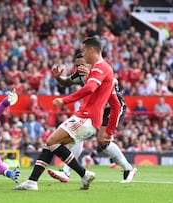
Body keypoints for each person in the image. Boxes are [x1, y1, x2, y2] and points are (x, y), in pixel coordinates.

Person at [14, 37, 117, 191]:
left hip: (87, 117)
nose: (82, 54)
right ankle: (32, 182)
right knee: (50, 144)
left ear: (91, 50)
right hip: (86, 117)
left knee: (51, 141)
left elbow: (90, 88)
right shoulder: (100, 69)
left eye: (83, 51)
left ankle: (84, 174)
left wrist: (64, 100)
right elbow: (75, 83)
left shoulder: (100, 68)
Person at [47, 52, 137, 184]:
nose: (79, 68)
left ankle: (128, 168)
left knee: (102, 140)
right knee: (78, 133)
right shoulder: (81, 74)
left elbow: (114, 97)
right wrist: (58, 78)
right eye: (76, 65)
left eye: (82, 64)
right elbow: (66, 83)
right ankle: (66, 171)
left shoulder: (102, 72)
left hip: (111, 107)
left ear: (90, 62)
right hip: (96, 108)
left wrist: (110, 130)